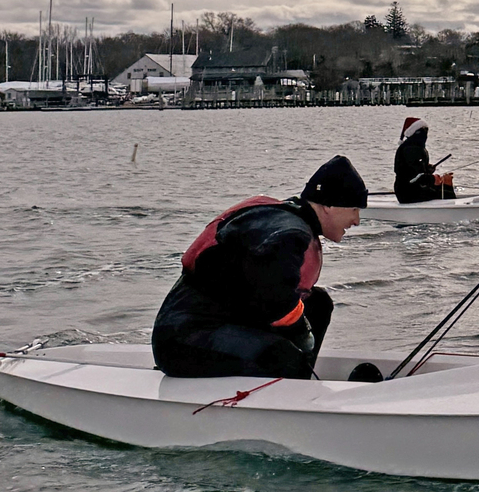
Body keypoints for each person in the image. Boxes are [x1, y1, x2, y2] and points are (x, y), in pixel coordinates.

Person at [151, 154, 369, 379]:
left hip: (224, 323)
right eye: (354, 209)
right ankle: (291, 387)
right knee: (283, 358)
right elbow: (277, 302)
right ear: (329, 206)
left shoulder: (287, 221)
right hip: (181, 341)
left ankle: (298, 380)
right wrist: (303, 339)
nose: (357, 221)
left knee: (318, 304)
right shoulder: (288, 235)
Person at [393, 116, 455, 203]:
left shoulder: (415, 147)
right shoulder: (410, 149)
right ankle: (450, 209)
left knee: (444, 188)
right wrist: (433, 179)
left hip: (413, 188)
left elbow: (416, 170)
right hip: (408, 192)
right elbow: (411, 176)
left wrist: (427, 169)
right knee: (447, 192)